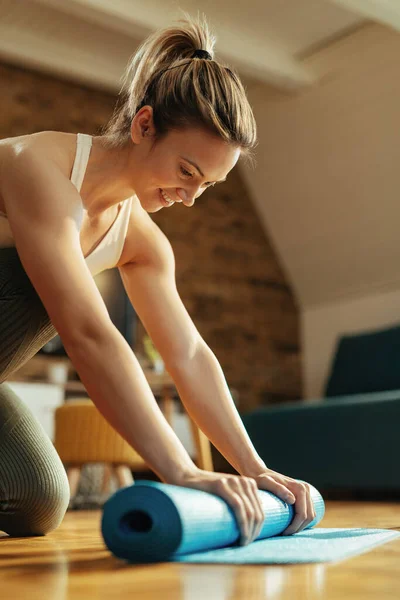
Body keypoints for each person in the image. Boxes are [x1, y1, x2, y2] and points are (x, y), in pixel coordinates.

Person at [0, 13, 315, 544]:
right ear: (144, 125)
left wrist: (254, 469)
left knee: (36, 498)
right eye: (187, 172)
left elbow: (189, 354)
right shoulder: (38, 167)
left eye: (208, 186)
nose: (189, 197)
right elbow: (88, 333)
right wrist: (181, 469)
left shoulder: (143, 245)